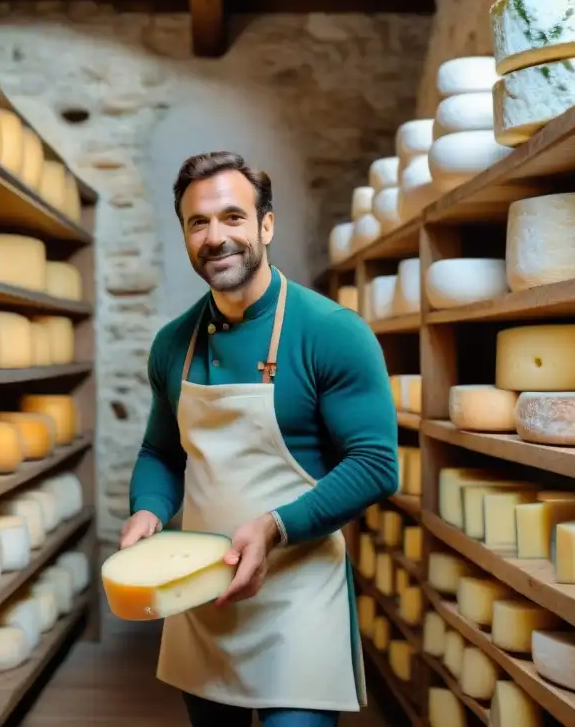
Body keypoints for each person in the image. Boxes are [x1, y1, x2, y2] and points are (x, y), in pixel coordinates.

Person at [119, 151, 399, 727]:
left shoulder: (332, 333)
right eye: (198, 222)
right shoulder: (173, 344)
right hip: (200, 598)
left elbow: (375, 465)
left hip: (297, 599)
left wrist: (273, 526)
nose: (216, 237)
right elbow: (160, 453)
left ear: (266, 225)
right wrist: (148, 509)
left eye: (233, 217)